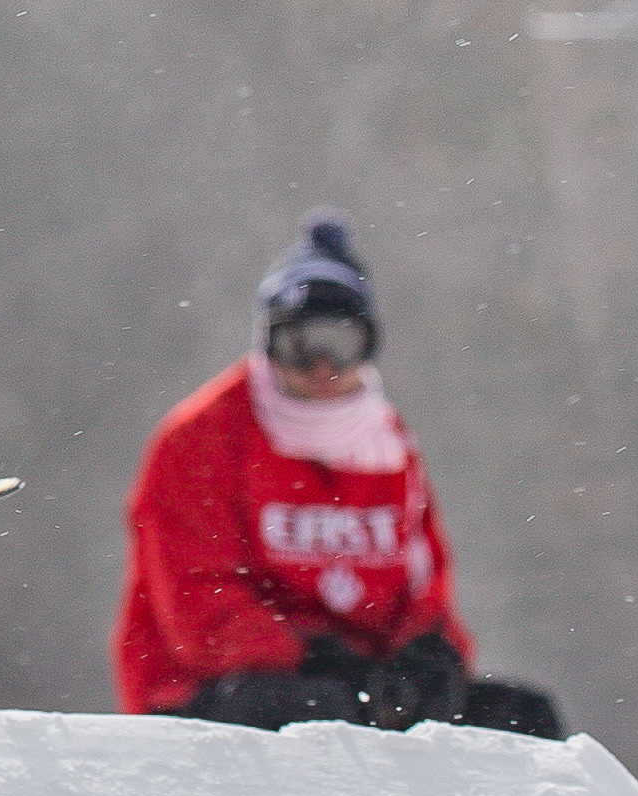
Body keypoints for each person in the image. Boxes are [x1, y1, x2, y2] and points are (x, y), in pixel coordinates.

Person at [115, 213, 564, 736]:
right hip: (213, 690)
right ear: (271, 345)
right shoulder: (200, 439)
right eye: (302, 345)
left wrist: (428, 655)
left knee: (522, 718)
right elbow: (196, 609)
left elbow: (425, 584)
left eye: (341, 343)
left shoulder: (387, 443)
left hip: (357, 686)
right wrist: (311, 657)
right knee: (315, 715)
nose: (323, 366)